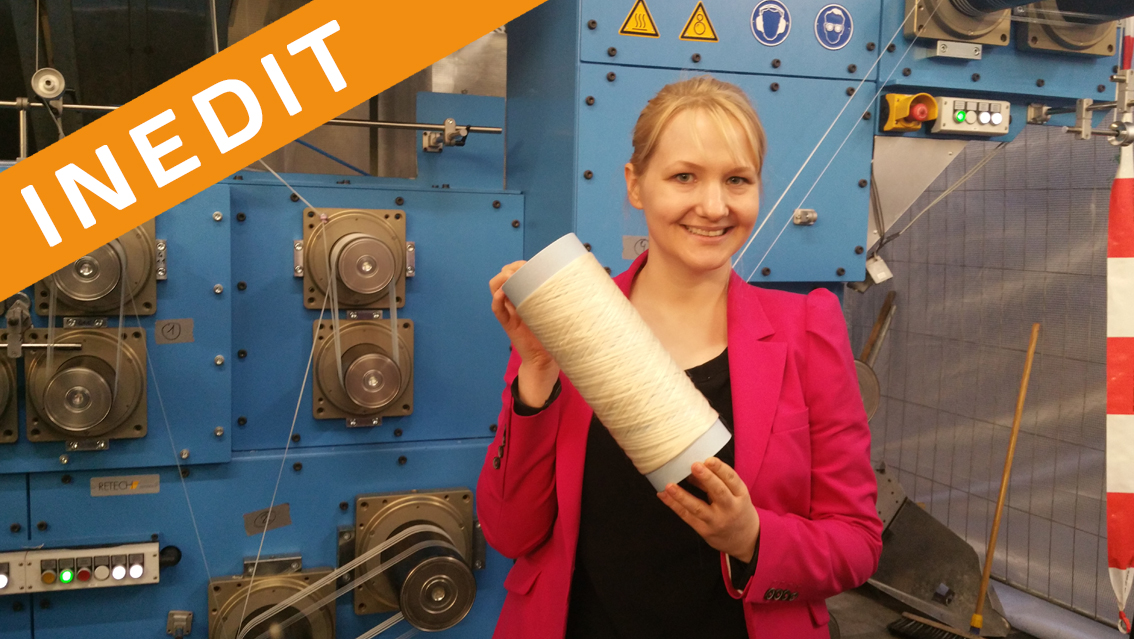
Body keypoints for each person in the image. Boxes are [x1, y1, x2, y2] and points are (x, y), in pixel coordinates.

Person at [477, 75, 882, 639]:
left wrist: (753, 539)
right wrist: (537, 371)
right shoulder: (571, 324)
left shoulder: (805, 330)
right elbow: (510, 532)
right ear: (636, 184)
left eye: (737, 180)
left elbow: (857, 543)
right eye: (684, 176)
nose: (713, 207)